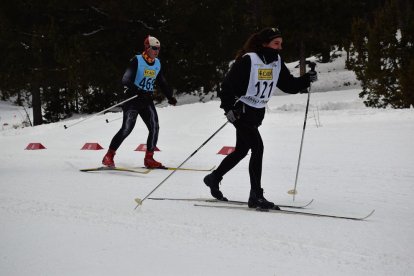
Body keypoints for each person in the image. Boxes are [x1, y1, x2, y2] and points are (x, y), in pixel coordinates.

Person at [203, 27, 317, 209]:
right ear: (264, 44)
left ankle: (213, 178)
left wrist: (306, 79)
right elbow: (227, 86)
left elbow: (289, 85)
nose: (280, 48)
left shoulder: (276, 61)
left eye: (281, 44)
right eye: (276, 43)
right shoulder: (249, 60)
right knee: (258, 147)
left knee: (242, 150)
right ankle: (256, 195)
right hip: (241, 111)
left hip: (257, 112)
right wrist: (228, 109)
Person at [102, 35, 177, 168]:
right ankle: (109, 156)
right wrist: (137, 90)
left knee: (154, 127)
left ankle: (149, 158)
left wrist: (169, 96)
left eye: (158, 49)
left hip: (146, 100)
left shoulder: (157, 63)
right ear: (147, 48)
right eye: (154, 48)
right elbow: (125, 79)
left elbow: (162, 81)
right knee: (126, 129)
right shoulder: (137, 60)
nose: (157, 51)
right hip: (133, 100)